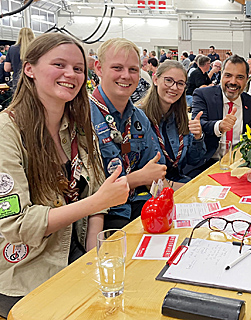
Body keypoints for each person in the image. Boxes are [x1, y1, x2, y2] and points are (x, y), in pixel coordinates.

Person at [0, 33, 129, 318]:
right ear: (29, 69)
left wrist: (96, 260)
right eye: (59, 64)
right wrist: (95, 203)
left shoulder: (79, 126)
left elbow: (97, 194)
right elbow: (16, 226)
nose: (70, 74)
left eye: (78, 68)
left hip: (77, 259)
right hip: (27, 272)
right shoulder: (6, 131)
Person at [90, 38, 167, 230]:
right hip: (102, 216)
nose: (126, 76)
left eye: (133, 70)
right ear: (99, 68)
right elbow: (89, 188)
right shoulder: (83, 116)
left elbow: (156, 167)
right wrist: (138, 178)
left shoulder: (139, 117)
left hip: (141, 204)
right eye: (117, 68)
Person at [187, 54, 251, 175]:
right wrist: (219, 126)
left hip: (240, 164)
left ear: (247, 79)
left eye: (240, 77)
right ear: (221, 75)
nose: (233, 82)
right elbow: (199, 124)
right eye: (228, 75)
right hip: (209, 163)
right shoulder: (203, 95)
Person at [140, 60, 206, 184]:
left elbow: (194, 161)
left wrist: (198, 137)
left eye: (180, 83)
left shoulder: (180, 117)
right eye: (168, 80)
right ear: (155, 80)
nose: (174, 87)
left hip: (180, 181)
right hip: (152, 190)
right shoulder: (140, 119)